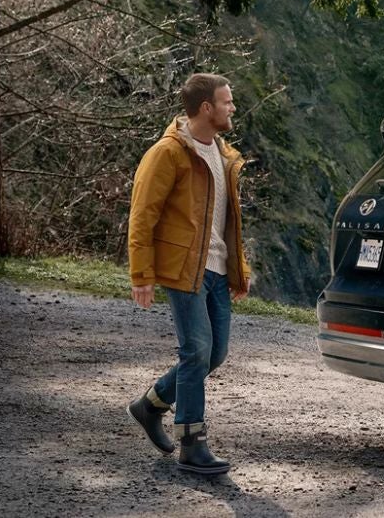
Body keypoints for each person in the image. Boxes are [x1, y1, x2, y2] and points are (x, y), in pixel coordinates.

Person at [125, 73, 252, 475]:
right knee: (195, 351)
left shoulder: (224, 154)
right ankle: (192, 443)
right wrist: (141, 273)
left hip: (217, 270)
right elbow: (142, 215)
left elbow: (228, 221)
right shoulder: (168, 153)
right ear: (206, 108)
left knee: (214, 354)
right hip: (183, 269)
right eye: (227, 102)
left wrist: (239, 269)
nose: (232, 108)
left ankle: (150, 405)